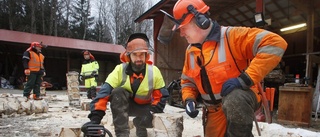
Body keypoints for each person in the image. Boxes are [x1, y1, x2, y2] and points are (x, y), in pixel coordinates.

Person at [166, 0, 288, 136]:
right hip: (214, 112)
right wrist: (189, 99)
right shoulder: (190, 51)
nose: (181, 33)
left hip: (240, 100)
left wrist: (245, 79)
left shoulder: (232, 37)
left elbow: (275, 43)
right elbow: (188, 81)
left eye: (183, 28)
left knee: (235, 98)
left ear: (200, 21)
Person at [81, 33, 169, 137]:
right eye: (135, 55)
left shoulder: (154, 71)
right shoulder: (120, 70)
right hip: (125, 107)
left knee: (146, 121)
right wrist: (95, 119)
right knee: (117, 92)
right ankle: (122, 134)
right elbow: (104, 93)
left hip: (146, 108)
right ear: (128, 56)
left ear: (146, 55)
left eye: (141, 54)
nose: (138, 58)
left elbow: (161, 96)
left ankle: (141, 127)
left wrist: (152, 111)